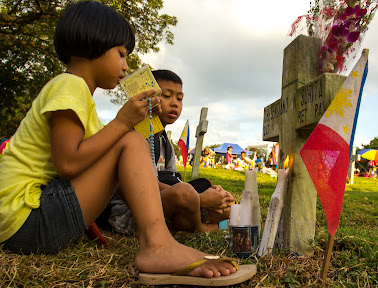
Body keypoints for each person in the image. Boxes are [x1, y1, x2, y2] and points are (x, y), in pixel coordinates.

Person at [0, 1, 240, 281]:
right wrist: (123, 122)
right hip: (27, 219)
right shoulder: (70, 85)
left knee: (130, 141)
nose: (126, 66)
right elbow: (68, 163)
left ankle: (159, 239)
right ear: (96, 43)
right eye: (122, 54)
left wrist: (180, 195)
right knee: (131, 140)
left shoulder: (78, 96)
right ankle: (157, 246)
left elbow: (121, 171)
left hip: (28, 222)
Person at [107, 69, 235, 235]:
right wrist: (200, 200)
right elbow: (148, 187)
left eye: (179, 98)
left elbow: (172, 181)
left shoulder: (164, 142)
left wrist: (215, 197)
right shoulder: (136, 136)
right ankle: (201, 228)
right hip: (131, 212)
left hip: (162, 204)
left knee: (227, 207)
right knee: (186, 194)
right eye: (167, 96)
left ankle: (187, 222)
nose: (175, 103)